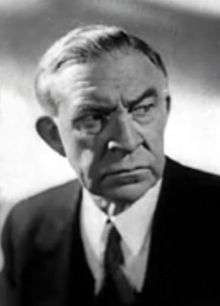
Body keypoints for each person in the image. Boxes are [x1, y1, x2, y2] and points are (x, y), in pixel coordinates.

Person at [1, 24, 220, 306]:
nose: (127, 141)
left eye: (142, 109)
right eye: (93, 119)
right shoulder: (28, 227)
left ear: (165, 109)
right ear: (54, 136)